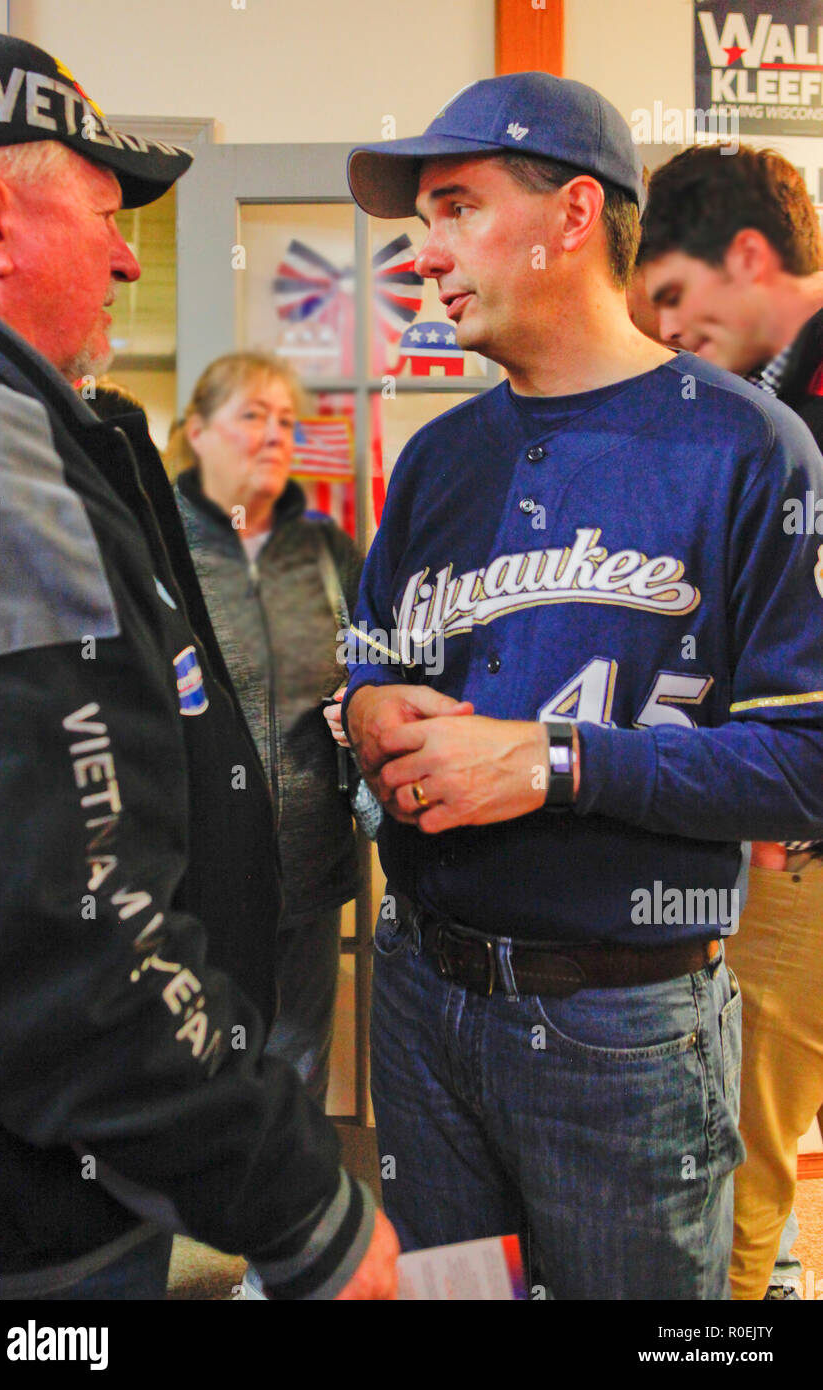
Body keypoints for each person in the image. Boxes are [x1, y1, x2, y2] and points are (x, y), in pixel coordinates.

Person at [342, 70, 823, 1300]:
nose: (425, 251)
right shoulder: (440, 454)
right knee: (458, 1297)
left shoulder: (745, 444)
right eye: (420, 221)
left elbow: (805, 761)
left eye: (454, 207)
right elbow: (372, 651)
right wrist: (364, 707)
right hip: (419, 998)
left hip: (621, 1025)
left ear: (569, 217)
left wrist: (552, 762)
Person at [0, 31, 396, 1301]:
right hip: (28, 1222)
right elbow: (67, 936)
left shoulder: (58, 427)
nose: (121, 252)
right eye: (101, 213)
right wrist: (305, 1212)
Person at [639, 143, 823, 1301]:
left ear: (745, 255)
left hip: (792, 843)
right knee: (736, 1148)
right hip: (762, 825)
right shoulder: (753, 402)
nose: (663, 329)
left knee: (742, 1163)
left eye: (672, 294)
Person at [169, 352, 362, 1109]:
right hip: (194, 880)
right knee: (196, 1074)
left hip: (311, 871)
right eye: (252, 416)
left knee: (296, 1069)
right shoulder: (158, 552)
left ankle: (296, 1221)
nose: (275, 435)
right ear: (197, 431)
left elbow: (374, 670)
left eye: (286, 420)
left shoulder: (324, 552)